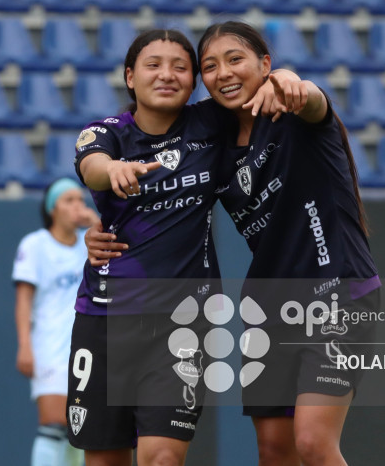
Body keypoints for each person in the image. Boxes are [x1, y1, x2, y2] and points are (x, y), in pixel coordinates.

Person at [69, 28, 298, 466]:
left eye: (180, 67)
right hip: (104, 317)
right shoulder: (107, 133)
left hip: (185, 319)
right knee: (104, 460)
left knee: (163, 459)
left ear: (193, 81)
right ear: (130, 76)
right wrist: (113, 169)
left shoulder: (210, 123)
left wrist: (280, 75)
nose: (167, 75)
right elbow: (91, 165)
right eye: (153, 65)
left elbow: (252, 83)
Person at [198, 21, 381, 466]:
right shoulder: (213, 143)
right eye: (210, 65)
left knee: (314, 444)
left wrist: (291, 82)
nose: (223, 72)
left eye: (235, 59)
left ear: (264, 63)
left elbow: (313, 99)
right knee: (274, 451)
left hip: (337, 295)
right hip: (268, 308)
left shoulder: (296, 114)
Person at [14, 177, 99, 466]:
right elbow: (24, 300)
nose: (78, 206)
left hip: (87, 349)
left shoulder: (90, 243)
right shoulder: (36, 244)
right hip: (49, 347)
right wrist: (25, 346)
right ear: (53, 209)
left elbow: (122, 265)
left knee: (80, 427)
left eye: (81, 199)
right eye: (69, 200)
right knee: (53, 424)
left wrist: (96, 224)